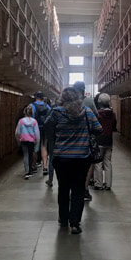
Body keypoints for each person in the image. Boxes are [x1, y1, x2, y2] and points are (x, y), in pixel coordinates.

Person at [49, 86, 103, 234]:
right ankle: (75, 224)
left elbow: (47, 127)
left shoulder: (56, 113)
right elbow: (99, 129)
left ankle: (63, 218)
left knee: (63, 188)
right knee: (78, 189)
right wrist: (84, 132)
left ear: (63, 98)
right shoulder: (86, 112)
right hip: (81, 157)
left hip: (61, 158)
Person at [72, 81, 98, 201]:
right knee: (89, 163)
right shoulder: (89, 102)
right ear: (83, 90)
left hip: (70, 140)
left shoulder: (68, 103)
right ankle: (84, 188)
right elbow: (96, 118)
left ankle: (74, 188)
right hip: (85, 139)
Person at [93, 93, 118, 191]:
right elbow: (114, 127)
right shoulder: (112, 114)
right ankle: (108, 184)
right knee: (108, 163)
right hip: (109, 141)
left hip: (99, 140)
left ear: (99, 102)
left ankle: (98, 184)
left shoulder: (97, 114)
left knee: (98, 163)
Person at [29, 91, 52, 178]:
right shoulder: (47, 106)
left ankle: (34, 166)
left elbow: (30, 117)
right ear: (42, 97)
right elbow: (50, 116)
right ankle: (45, 166)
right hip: (45, 128)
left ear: (35, 97)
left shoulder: (32, 105)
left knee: (35, 147)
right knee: (44, 146)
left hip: (35, 128)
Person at [15, 105, 41, 179]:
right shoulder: (34, 121)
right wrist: (37, 141)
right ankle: (30, 170)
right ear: (31, 113)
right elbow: (37, 133)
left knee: (25, 155)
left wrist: (18, 140)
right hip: (31, 141)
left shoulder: (21, 121)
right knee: (30, 155)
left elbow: (17, 132)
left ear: (24, 112)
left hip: (23, 140)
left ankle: (27, 171)